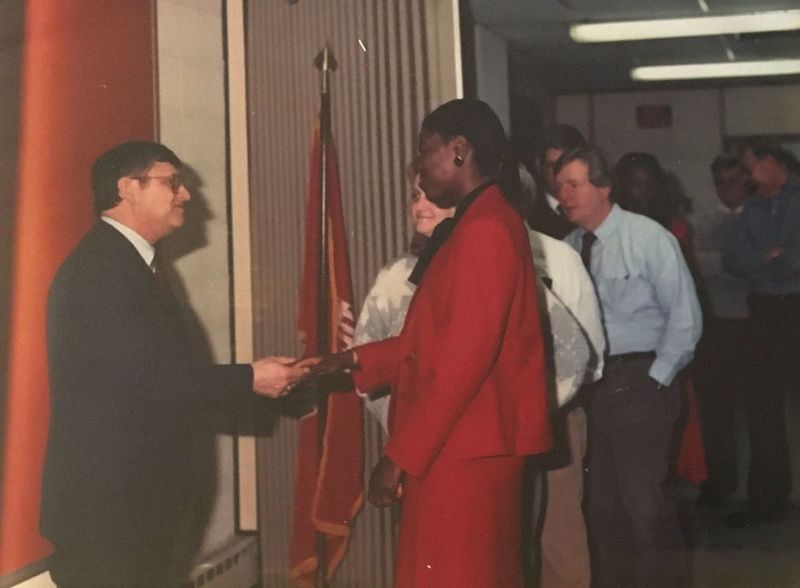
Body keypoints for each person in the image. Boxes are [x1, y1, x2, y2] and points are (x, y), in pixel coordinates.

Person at [41, 141, 307, 588]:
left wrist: (264, 383)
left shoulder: (130, 264)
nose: (186, 194)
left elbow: (160, 380)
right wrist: (250, 378)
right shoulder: (102, 271)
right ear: (129, 188)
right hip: (113, 513)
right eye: (173, 183)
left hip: (135, 507)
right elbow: (147, 381)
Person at [311, 99, 552, 587]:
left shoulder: (484, 229)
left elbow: (462, 361)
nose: (419, 165)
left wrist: (399, 455)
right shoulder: (478, 222)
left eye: (426, 151)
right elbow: (433, 342)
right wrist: (349, 360)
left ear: (459, 150)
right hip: (464, 443)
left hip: (464, 448)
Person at [556, 146, 702, 587]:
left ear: (604, 188)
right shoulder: (568, 250)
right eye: (559, 186)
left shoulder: (648, 238)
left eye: (574, 185)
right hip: (591, 390)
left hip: (641, 383)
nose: (564, 195)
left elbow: (685, 318)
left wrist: (657, 379)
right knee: (603, 508)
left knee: (644, 506)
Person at [722, 141, 800, 527]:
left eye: (749, 165)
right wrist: (768, 259)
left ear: (771, 162)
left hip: (795, 306)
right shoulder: (752, 208)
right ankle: (767, 499)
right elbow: (732, 258)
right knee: (761, 406)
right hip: (765, 311)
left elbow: (794, 259)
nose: (745, 175)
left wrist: (767, 262)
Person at [525, 229, 605, 588]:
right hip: (488, 428)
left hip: (555, 415)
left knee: (559, 540)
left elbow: (590, 357)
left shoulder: (559, 258)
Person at [355, 170, 454, 432]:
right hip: (410, 436)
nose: (420, 206)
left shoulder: (484, 266)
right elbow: (362, 357)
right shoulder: (396, 275)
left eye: (432, 196)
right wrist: (401, 422)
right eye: (415, 195)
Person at [692, 155, 752, 508]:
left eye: (734, 181)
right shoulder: (703, 221)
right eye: (721, 182)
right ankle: (719, 484)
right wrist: (743, 262)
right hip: (716, 325)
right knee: (717, 413)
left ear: (746, 181)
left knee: (760, 414)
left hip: (755, 324)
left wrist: (724, 262)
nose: (728, 189)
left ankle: (763, 492)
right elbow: (701, 264)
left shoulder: (759, 216)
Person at [527, 124, 586, 239]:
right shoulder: (530, 216)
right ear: (539, 166)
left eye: (568, 165)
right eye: (553, 166)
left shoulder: (598, 209)